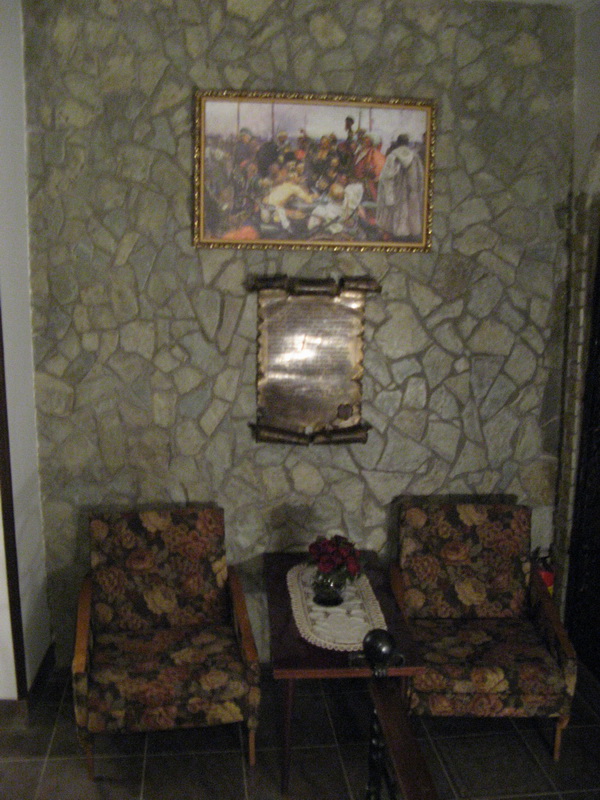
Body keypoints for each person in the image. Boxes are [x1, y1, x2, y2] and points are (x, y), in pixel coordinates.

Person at [375, 133, 425, 240]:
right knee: (410, 218)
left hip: (395, 193)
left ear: (398, 143)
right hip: (412, 193)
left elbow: (387, 178)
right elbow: (421, 177)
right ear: (407, 143)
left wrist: (389, 198)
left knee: (394, 219)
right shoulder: (415, 157)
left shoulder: (392, 157)